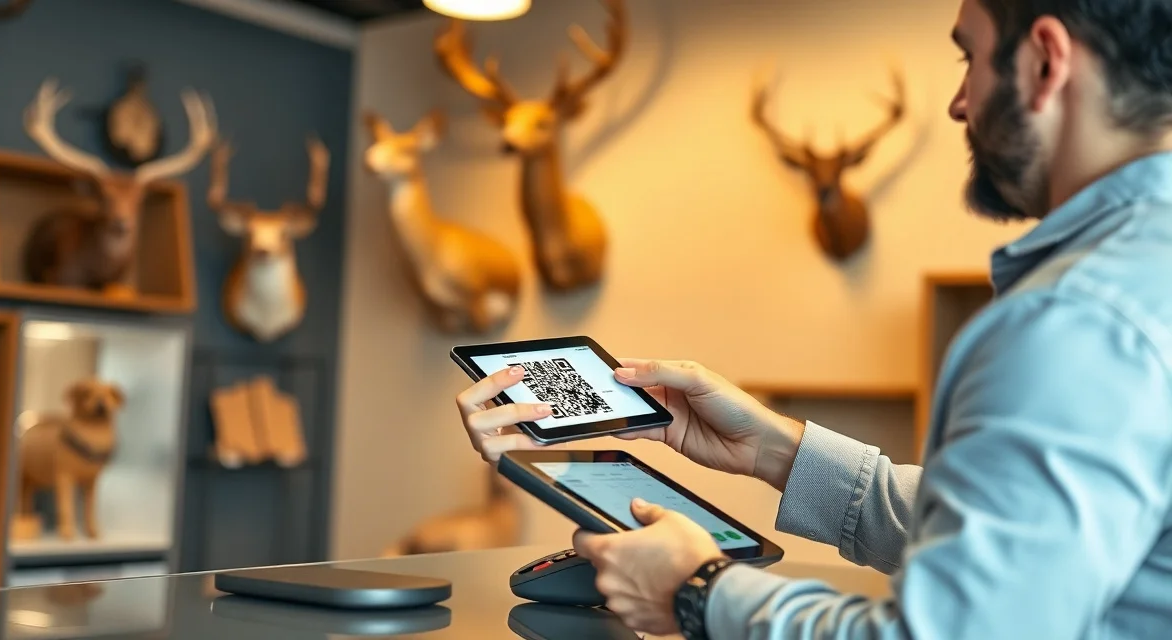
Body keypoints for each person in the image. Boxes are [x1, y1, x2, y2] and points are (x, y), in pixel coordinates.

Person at [454, 0, 1172, 637]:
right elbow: (1029, 535)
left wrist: (700, 592)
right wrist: (775, 450)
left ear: (1045, 61)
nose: (959, 102)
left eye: (970, 57)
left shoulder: (1072, 321)